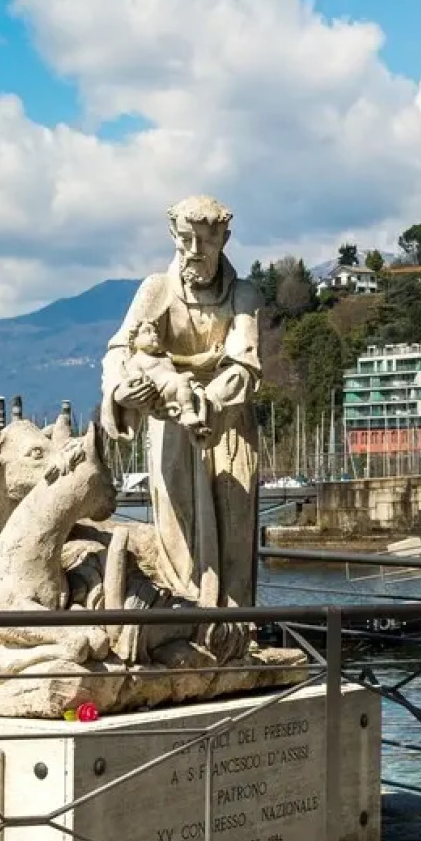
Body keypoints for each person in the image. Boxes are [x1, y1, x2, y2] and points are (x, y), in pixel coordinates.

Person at [100, 195, 263, 610]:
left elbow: (245, 364)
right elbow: (121, 348)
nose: (194, 251)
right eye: (186, 240)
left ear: (224, 239)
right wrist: (122, 390)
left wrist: (208, 401)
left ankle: (234, 635)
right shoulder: (157, 289)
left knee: (235, 526)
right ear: (174, 236)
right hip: (171, 424)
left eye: (205, 242)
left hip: (228, 425)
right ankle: (184, 624)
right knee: (179, 530)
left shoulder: (243, 294)